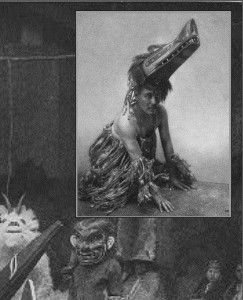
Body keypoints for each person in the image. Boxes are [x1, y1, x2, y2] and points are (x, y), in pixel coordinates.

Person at [79, 20, 199, 213]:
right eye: (148, 96)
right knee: (120, 192)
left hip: (139, 158)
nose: (153, 102)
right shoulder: (127, 123)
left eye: (157, 96)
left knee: (168, 177)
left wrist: (174, 174)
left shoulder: (160, 113)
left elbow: (167, 143)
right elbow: (139, 164)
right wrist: (157, 196)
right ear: (136, 94)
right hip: (119, 160)